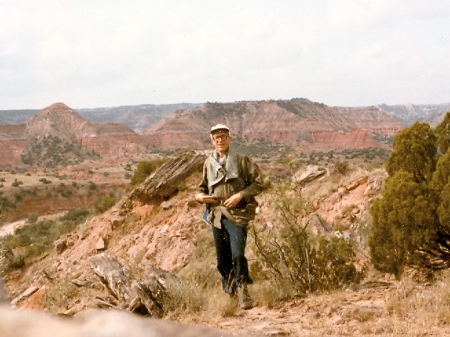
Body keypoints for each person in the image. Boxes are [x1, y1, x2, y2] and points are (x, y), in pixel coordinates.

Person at [195, 124, 264, 309]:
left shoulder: (242, 160)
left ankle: (244, 291)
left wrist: (240, 195)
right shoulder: (209, 163)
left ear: (230, 139)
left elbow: (259, 183)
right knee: (222, 258)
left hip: (238, 215)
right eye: (216, 137)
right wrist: (199, 197)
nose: (220, 140)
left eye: (223, 136)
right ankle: (230, 291)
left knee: (238, 254)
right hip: (217, 216)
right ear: (212, 140)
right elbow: (201, 187)